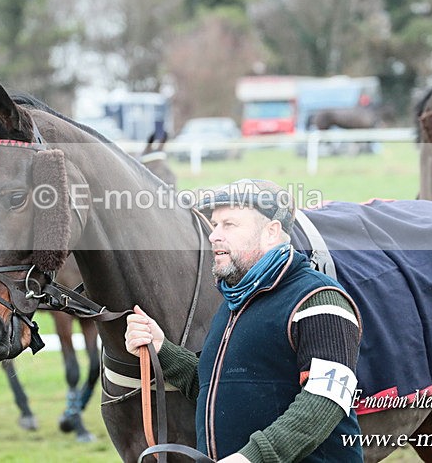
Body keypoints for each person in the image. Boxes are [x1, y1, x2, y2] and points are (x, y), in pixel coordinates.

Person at [125, 179, 363, 462]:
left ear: (271, 232)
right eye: (214, 225)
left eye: (229, 225)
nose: (214, 236)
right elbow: (216, 385)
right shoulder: (234, 303)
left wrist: (250, 458)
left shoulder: (319, 298)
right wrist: (162, 348)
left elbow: (325, 401)